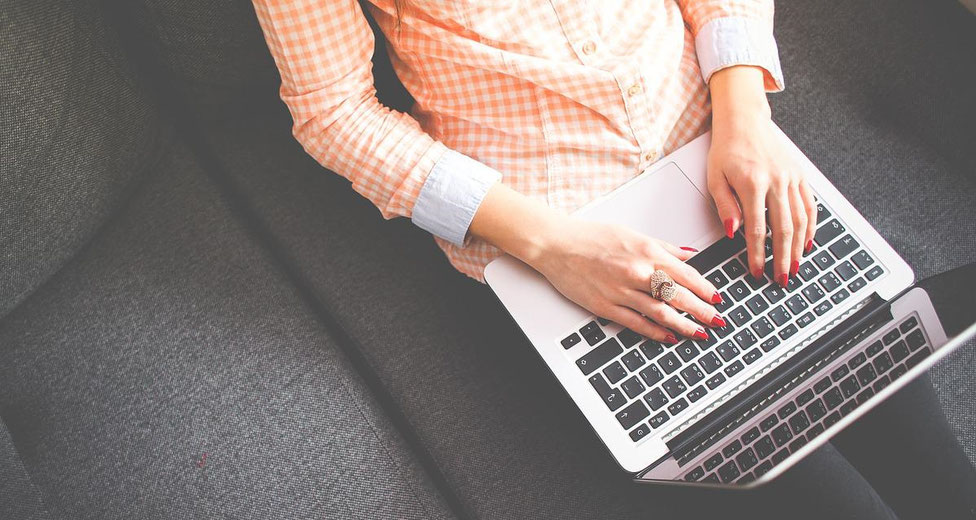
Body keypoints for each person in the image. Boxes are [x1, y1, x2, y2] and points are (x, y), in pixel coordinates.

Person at [251, 1, 976, 517]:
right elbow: (333, 113)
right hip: (561, 237)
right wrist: (554, 245)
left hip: (719, 152)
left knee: (931, 463)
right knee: (809, 486)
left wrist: (746, 116)